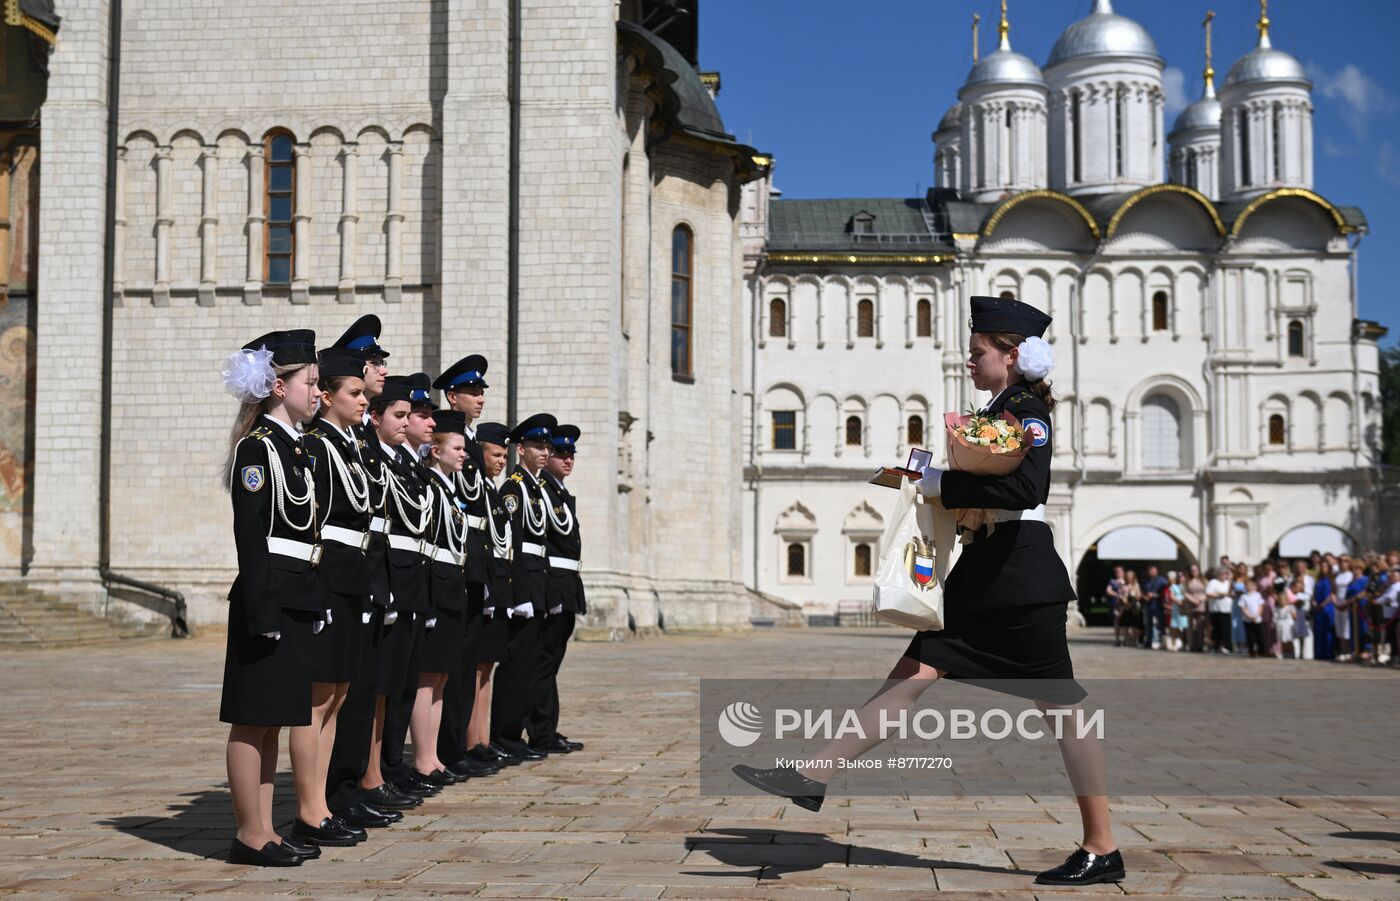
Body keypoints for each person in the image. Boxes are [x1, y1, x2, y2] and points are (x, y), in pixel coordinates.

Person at [733, 296, 1125, 886]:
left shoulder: (1023, 408)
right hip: (990, 568)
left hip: (1018, 576)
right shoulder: (1000, 406)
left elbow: (1026, 486)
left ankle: (1103, 845)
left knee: (1063, 708)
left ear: (1012, 355)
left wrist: (942, 480)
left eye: (978, 352)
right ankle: (812, 773)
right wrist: (930, 484)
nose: (968, 361)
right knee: (914, 671)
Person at [218, 329, 324, 866]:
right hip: (269, 598)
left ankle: (266, 828)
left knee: (276, 719)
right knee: (252, 718)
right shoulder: (258, 449)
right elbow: (252, 536)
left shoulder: (297, 447)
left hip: (298, 594)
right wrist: (262, 609)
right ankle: (248, 832)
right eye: (311, 382)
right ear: (279, 387)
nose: (318, 393)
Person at [323, 315, 404, 825]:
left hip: (368, 577)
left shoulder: (361, 444)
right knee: (340, 698)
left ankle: (354, 782)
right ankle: (337, 791)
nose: (378, 369)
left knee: (359, 693)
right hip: (343, 577)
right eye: (370, 364)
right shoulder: (340, 441)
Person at [431, 356, 499, 780]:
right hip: (456, 561)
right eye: (473, 392)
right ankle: (447, 748)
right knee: (450, 664)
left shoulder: (471, 443)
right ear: (453, 396)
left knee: (467, 657)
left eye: (481, 393)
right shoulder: (449, 442)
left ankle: (457, 743)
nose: (480, 399)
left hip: (474, 562)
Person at [490, 413, 558, 763]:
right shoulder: (514, 487)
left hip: (538, 579)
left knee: (531, 664)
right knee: (516, 664)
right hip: (524, 582)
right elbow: (511, 542)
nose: (544, 452)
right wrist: (517, 593)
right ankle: (505, 734)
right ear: (521, 450)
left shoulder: (536, 487)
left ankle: (519, 732)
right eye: (537, 446)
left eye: (547, 446)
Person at [526, 423, 587, 755]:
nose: (566, 459)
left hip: (565, 586)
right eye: (560, 453)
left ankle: (547, 727)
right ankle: (540, 730)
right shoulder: (542, 491)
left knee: (551, 662)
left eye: (570, 454)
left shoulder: (557, 491)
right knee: (543, 663)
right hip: (551, 586)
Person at [467, 422, 515, 767]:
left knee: (487, 668)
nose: (501, 461)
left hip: (497, 585)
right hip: (483, 583)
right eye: (495, 454)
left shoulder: (492, 490)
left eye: (504, 455)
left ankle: (481, 738)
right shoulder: (477, 489)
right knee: (475, 668)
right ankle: (472, 740)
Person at [1205, 567, 1233, 654]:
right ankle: (1217, 646)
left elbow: (1230, 593)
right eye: (1222, 574)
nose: (1224, 576)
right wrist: (1220, 594)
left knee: (1226, 629)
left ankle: (1226, 646)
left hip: (1227, 609)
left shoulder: (1228, 583)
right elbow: (1208, 593)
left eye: (1226, 574)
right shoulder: (1213, 582)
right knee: (1217, 629)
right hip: (1216, 610)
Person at [1141, 565, 1167, 650]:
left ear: (1156, 571)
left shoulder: (1162, 581)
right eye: (1150, 571)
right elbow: (1143, 592)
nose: (1151, 572)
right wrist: (1145, 596)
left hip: (1157, 605)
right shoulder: (1146, 581)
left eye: (1153, 571)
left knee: (1158, 623)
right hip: (1148, 605)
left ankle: (1158, 641)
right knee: (1148, 624)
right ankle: (1148, 641)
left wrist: (1155, 595)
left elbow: (1165, 593)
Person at [1183, 565, 1207, 653]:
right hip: (1191, 604)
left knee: (1200, 626)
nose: (1194, 572)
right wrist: (1193, 599)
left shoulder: (1203, 581)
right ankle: (1192, 645)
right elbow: (1185, 592)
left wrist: (1201, 598)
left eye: (1195, 570)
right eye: (1192, 570)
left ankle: (1200, 645)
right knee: (1192, 626)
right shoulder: (1187, 581)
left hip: (1201, 604)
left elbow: (1206, 592)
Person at [1240, 585, 1266, 658]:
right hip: (1247, 619)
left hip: (1257, 619)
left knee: (1259, 636)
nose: (1250, 587)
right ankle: (1251, 651)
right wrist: (1248, 616)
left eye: (1251, 585)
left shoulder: (1258, 595)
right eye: (1248, 586)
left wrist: (1257, 615)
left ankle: (1261, 651)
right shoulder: (1243, 596)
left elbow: (1261, 606)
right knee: (1250, 637)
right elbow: (1242, 607)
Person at [1166, 571, 1188, 652]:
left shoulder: (1186, 586)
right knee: (1174, 626)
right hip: (1176, 607)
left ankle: (1184, 643)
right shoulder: (1174, 586)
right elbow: (1172, 596)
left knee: (1185, 626)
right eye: (1179, 577)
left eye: (1182, 576)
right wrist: (1179, 602)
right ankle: (1174, 644)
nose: (1180, 578)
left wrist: (1184, 602)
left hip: (1184, 607)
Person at [1105, 566, 1125, 648]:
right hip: (1116, 605)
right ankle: (1118, 639)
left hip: (1126, 605)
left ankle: (1126, 639)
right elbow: (1108, 590)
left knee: (1126, 622)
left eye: (1120, 571)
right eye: (1116, 571)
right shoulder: (1113, 582)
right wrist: (1117, 594)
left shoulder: (1126, 580)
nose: (1118, 573)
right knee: (1117, 622)